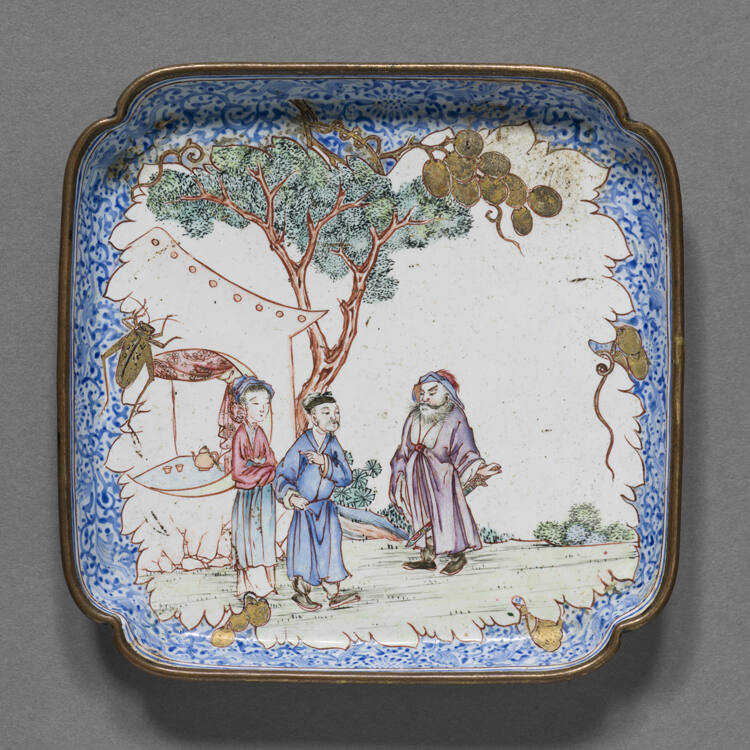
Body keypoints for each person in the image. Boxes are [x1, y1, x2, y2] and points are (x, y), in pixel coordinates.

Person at [389, 370, 501, 576]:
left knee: (447, 515)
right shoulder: (414, 416)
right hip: (416, 476)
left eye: (432, 392)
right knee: (421, 514)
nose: (425, 398)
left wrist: (479, 469)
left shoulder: (456, 417)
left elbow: (466, 450)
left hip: (443, 478)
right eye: (422, 393)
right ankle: (427, 557)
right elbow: (403, 449)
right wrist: (399, 474)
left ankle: (457, 557)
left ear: (447, 395)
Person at [274, 392, 360, 612]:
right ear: (313, 417)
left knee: (330, 550)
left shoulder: (333, 443)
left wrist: (325, 463)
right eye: (326, 412)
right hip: (305, 508)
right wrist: (292, 497)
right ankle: (301, 592)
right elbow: (282, 475)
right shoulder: (303, 443)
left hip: (326, 508)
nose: (333, 417)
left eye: (336, 412)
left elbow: (346, 476)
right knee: (304, 551)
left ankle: (334, 593)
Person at [229, 376, 277, 613]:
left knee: (264, 535)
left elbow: (271, 462)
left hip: (263, 494)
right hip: (248, 496)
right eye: (256, 404)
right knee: (248, 538)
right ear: (243, 408)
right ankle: (249, 586)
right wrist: (263, 471)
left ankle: (265, 585)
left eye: (266, 404)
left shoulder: (260, 433)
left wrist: (262, 470)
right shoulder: (240, 435)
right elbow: (238, 472)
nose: (262, 409)